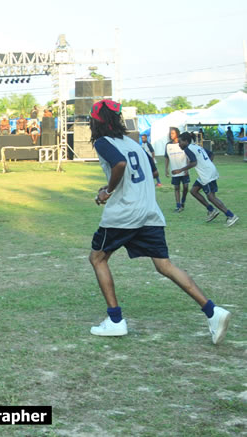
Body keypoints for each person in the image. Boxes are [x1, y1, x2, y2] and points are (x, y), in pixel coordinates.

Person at [87, 100, 230, 344]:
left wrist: (108, 192)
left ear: (96, 121)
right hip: (149, 212)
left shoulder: (103, 142)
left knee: (97, 258)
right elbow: (150, 172)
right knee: (164, 265)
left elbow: (120, 164)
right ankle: (212, 311)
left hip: (124, 214)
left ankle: (115, 320)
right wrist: (112, 185)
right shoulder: (132, 142)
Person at [173, 132, 239, 227]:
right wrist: (207, 164)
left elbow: (194, 163)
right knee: (194, 191)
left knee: (211, 197)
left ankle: (231, 215)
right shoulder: (196, 146)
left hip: (206, 174)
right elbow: (211, 154)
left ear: (186, 141)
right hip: (208, 172)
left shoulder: (187, 149)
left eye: (180, 142)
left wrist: (180, 170)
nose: (179, 144)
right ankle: (211, 210)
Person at [164, 127, 189, 212]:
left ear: (177, 134)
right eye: (170, 133)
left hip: (184, 169)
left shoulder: (182, 143)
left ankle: (183, 201)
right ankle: (178, 205)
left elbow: (188, 156)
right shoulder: (168, 145)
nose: (171, 135)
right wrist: (166, 169)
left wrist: (187, 169)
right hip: (175, 170)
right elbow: (166, 157)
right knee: (176, 188)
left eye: (173, 133)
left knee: (186, 187)